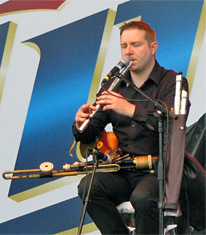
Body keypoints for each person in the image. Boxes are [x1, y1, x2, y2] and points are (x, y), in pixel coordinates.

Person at [73, 21, 191, 234]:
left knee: (143, 198)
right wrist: (81, 125)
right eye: (124, 46)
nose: (128, 51)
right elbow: (92, 133)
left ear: (152, 47)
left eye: (135, 45)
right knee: (88, 187)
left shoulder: (173, 82)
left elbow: (174, 124)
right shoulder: (113, 85)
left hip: (161, 171)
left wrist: (130, 109)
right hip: (123, 170)